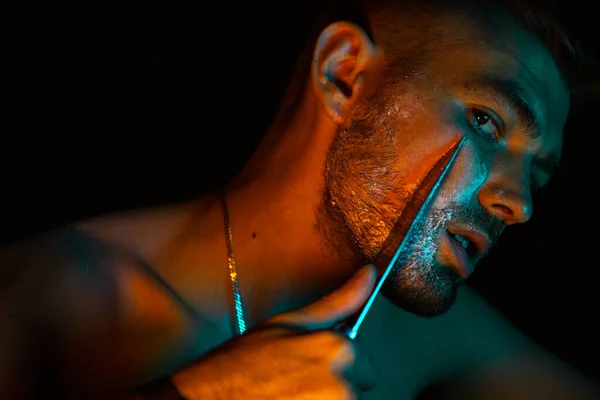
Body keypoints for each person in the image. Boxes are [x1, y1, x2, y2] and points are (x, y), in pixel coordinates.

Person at [1, 0, 598, 399]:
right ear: (343, 74)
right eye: (488, 123)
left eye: (538, 176)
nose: (519, 204)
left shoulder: (431, 334)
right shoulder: (41, 299)